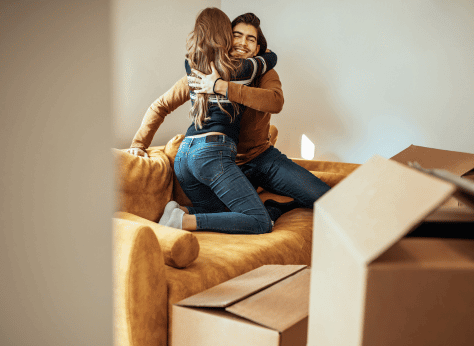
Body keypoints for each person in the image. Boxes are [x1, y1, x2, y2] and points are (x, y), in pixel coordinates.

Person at [128, 12, 330, 229]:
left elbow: (275, 102)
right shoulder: (205, 71)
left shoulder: (263, 73)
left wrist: (222, 87)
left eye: (251, 39)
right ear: (226, 38)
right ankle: (264, 212)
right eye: (237, 35)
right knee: (242, 216)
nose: (243, 43)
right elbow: (160, 105)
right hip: (223, 160)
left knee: (324, 198)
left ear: (257, 46)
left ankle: (275, 209)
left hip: (262, 157)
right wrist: (139, 144)